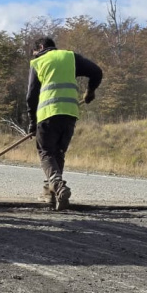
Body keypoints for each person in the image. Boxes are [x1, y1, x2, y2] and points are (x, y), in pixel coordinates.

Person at [26, 37, 103, 211]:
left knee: (46, 152)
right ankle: (52, 195)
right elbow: (97, 72)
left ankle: (57, 185)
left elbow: (31, 96)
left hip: (48, 113)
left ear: (40, 47)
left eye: (34, 52)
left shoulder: (38, 62)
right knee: (58, 153)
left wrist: (32, 122)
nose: (34, 55)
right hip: (70, 113)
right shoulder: (70, 57)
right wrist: (90, 91)